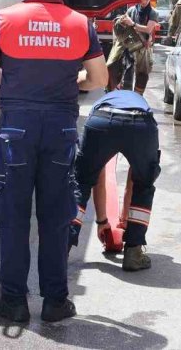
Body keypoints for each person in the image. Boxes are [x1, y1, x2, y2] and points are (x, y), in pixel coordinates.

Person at [0, 0, 108, 324]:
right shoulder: (81, 24)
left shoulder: (4, 19)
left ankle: (14, 303)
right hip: (60, 128)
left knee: (14, 216)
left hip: (16, 128)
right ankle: (55, 302)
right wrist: (74, 83)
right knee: (56, 217)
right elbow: (98, 78)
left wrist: (15, 82)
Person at [70, 89, 160, 272]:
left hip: (101, 120)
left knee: (82, 181)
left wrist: (102, 221)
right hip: (141, 123)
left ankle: (62, 246)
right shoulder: (140, 100)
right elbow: (133, 181)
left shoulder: (105, 99)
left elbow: (98, 175)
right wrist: (125, 222)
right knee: (143, 184)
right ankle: (134, 252)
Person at [106, 0, 156, 95]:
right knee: (122, 68)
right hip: (129, 45)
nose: (144, 2)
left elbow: (148, 29)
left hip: (143, 47)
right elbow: (122, 26)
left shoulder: (153, 13)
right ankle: (125, 96)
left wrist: (132, 24)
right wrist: (122, 21)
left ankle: (138, 97)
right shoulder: (132, 10)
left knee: (142, 74)